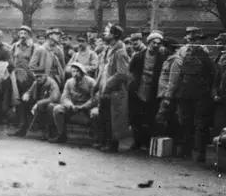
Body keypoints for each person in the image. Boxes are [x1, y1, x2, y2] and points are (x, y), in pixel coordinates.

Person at [162, 26, 216, 161]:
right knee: (188, 123)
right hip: (188, 94)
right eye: (191, 39)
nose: (193, 42)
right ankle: (190, 151)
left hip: (195, 94)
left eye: (195, 39)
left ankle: (196, 152)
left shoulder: (201, 55)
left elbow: (212, 75)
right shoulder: (187, 54)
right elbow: (176, 76)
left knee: (197, 124)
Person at [91, 24, 131, 152]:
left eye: (107, 32)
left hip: (114, 93)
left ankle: (112, 144)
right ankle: (104, 141)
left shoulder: (120, 52)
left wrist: (107, 85)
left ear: (114, 35)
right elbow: (102, 70)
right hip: (105, 92)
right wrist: (96, 86)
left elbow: (122, 74)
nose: (104, 34)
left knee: (113, 119)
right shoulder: (107, 50)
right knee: (104, 117)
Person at [128, 31, 167, 150]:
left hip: (153, 91)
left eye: (158, 43)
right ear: (148, 43)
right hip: (138, 90)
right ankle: (137, 141)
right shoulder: (138, 56)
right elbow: (130, 71)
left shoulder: (162, 59)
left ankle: (147, 142)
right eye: (153, 43)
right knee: (136, 117)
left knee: (150, 117)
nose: (155, 45)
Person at [50, 62, 96, 144]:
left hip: (87, 108)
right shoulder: (69, 82)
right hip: (73, 106)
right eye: (73, 71)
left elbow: (94, 99)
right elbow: (64, 97)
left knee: (95, 113)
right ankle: (61, 135)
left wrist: (83, 106)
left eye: (77, 71)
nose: (75, 74)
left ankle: (95, 137)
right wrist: (70, 105)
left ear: (82, 72)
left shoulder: (91, 82)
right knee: (57, 109)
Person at [11, 68, 61, 138]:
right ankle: (23, 128)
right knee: (23, 103)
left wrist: (38, 103)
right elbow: (29, 91)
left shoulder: (52, 83)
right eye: (37, 77)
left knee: (49, 106)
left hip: (50, 103)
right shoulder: (36, 82)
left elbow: (54, 98)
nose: (38, 79)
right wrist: (26, 95)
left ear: (45, 76)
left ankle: (49, 132)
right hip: (39, 102)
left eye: (40, 76)